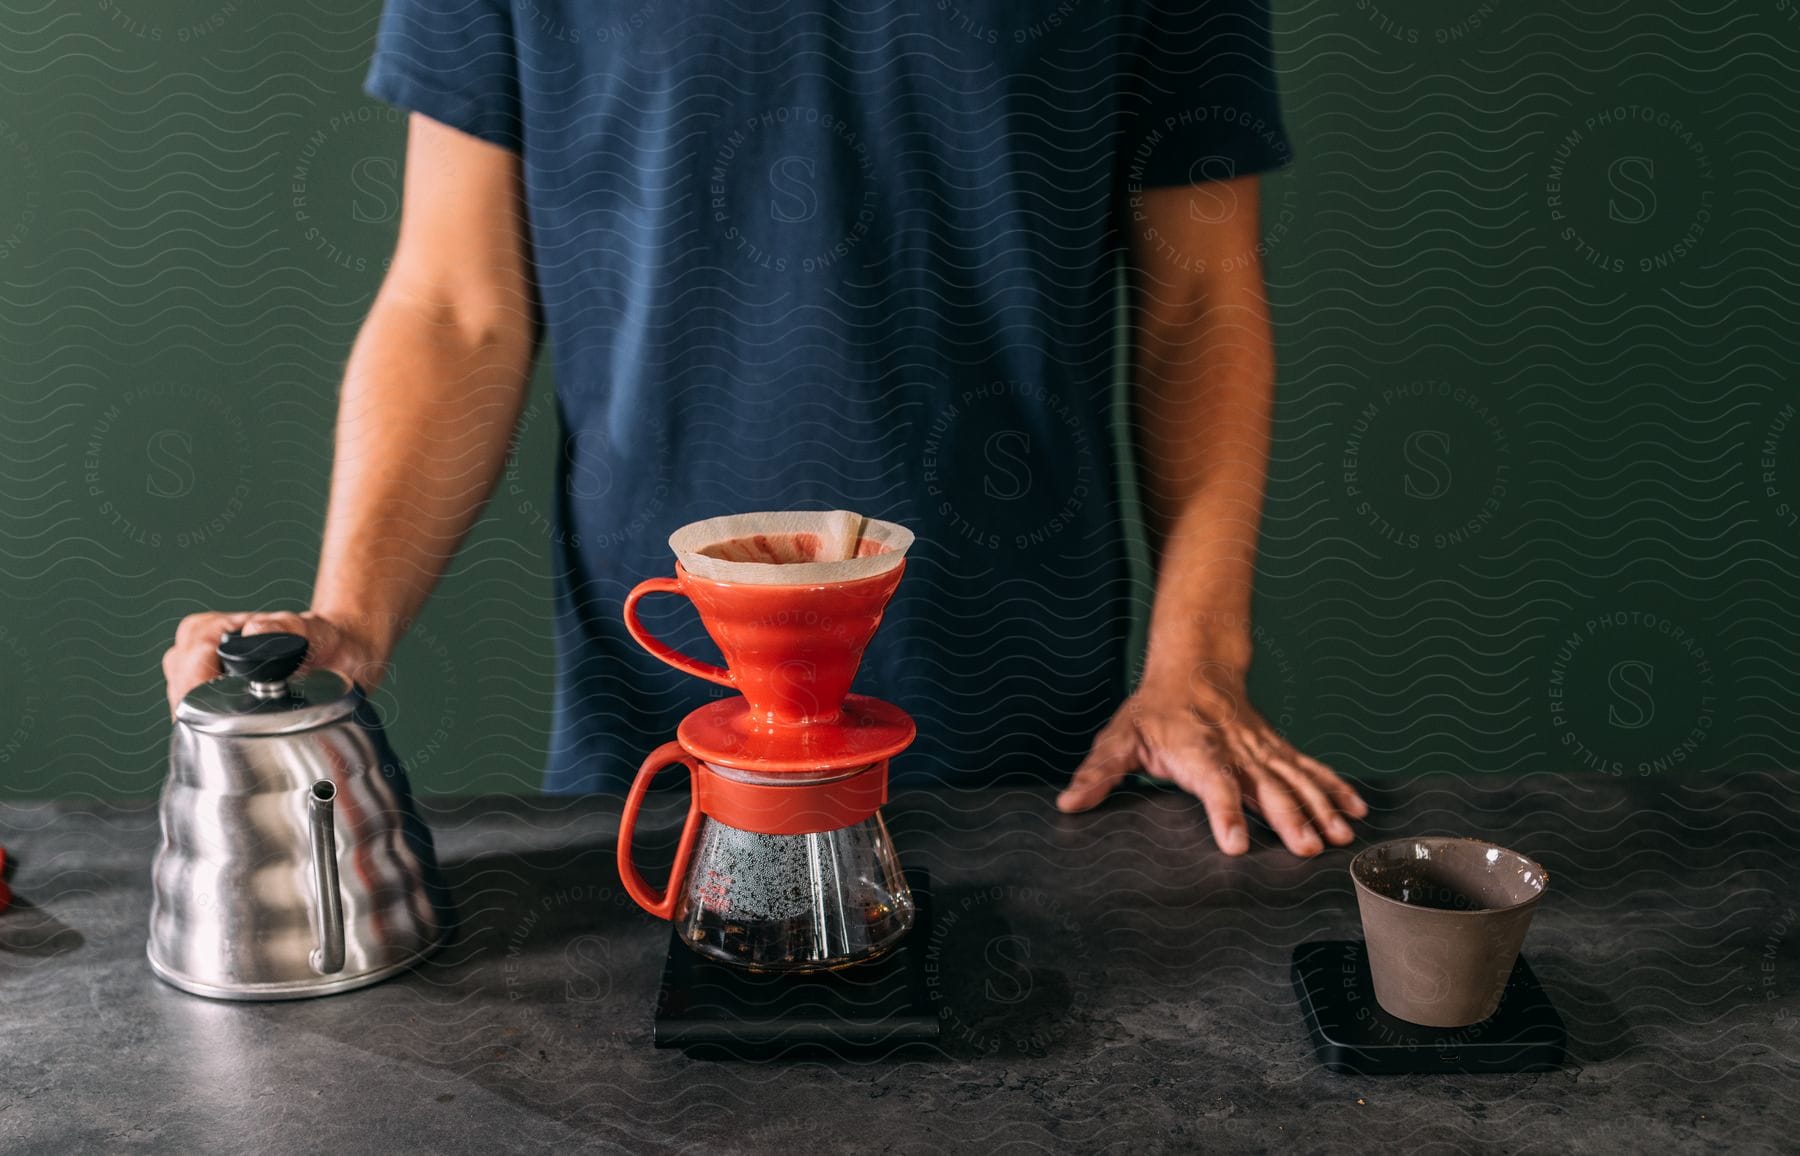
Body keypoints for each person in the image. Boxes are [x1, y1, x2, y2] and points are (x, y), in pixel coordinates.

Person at [162, 0, 1368, 857]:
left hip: (1037, 763)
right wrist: (352, 619)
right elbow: (458, 307)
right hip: (658, 751)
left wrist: (1198, 664)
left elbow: (1199, 300)